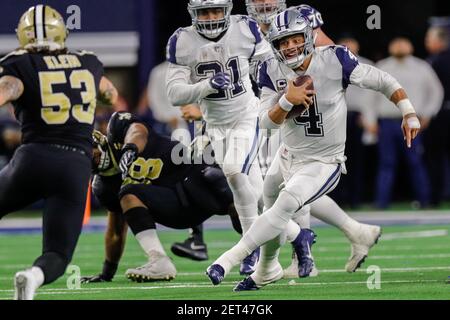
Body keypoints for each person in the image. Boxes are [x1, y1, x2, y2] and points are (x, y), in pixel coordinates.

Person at [206, 9, 421, 291]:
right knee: (268, 202)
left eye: (295, 39)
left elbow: (382, 81)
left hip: (324, 160)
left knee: (283, 205)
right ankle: (268, 268)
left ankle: (228, 259)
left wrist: (408, 112)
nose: (290, 46)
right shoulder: (270, 69)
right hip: (288, 153)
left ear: (308, 37)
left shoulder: (334, 59)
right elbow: (264, 124)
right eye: (283, 42)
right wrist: (285, 101)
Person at [246, 0, 382, 277]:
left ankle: (298, 258)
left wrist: (299, 94)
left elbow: (326, 55)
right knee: (280, 186)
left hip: (298, 113)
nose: (264, 4)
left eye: (268, 0)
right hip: (268, 108)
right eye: (258, 1)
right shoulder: (242, 28)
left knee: (288, 186)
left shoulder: (299, 18)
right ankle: (355, 232)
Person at [0, 5, 118, 300]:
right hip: (75, 165)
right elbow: (110, 95)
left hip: (33, 157)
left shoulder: (19, 63)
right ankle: (33, 277)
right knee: (57, 253)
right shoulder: (87, 61)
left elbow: (5, 91)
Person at [166, 0, 274, 275]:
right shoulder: (182, 39)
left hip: (246, 115)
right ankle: (294, 236)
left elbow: (269, 67)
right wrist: (206, 86)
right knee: (258, 194)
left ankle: (250, 250)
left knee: (233, 172)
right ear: (193, 13)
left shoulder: (246, 28)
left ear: (227, 9)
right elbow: (174, 93)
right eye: (204, 11)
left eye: (216, 10)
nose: (211, 16)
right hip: (214, 124)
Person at [81, 112, 242, 282]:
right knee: (128, 193)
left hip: (195, 180)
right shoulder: (103, 186)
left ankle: (257, 250)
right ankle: (159, 261)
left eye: (94, 156)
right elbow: (116, 232)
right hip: (174, 208)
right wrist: (107, 273)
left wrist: (130, 149)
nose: (95, 161)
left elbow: (138, 131)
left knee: (233, 196)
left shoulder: (118, 128)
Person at [374, 37, 443, 209]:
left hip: (412, 120)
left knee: (416, 161)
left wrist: (428, 114)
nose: (399, 46)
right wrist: (370, 119)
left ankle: (424, 200)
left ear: (411, 46)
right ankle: (381, 202)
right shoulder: (382, 66)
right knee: (386, 163)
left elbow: (436, 92)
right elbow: (370, 94)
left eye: (403, 43)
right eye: (395, 43)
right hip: (388, 121)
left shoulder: (421, 67)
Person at [424, 22, 450, 206]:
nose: (426, 42)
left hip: (439, 114)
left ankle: (438, 194)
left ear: (440, 41)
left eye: (429, 39)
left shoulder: (432, 62)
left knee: (436, 156)